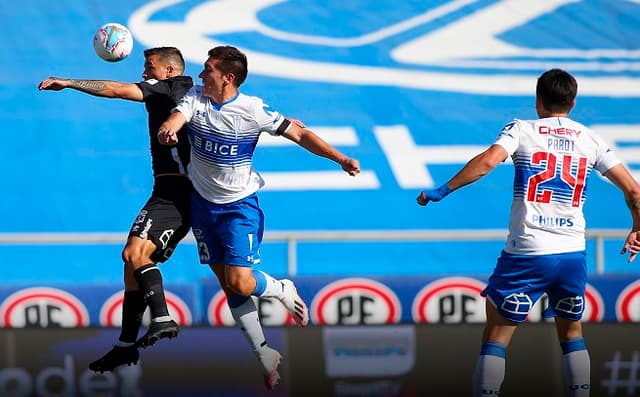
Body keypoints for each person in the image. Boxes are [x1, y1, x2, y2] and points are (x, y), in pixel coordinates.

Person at [416, 68, 640, 396]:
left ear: (538, 100)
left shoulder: (522, 129)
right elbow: (634, 191)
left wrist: (444, 189)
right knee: (572, 335)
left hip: (528, 251)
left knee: (496, 336)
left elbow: (489, 162)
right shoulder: (589, 138)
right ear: (573, 102)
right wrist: (637, 227)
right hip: (571, 254)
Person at [157, 45, 361, 389]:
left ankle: (281, 288)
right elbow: (176, 117)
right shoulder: (196, 98)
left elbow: (301, 134)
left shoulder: (251, 109)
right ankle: (263, 351)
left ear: (228, 77)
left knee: (239, 281)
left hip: (238, 208)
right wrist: (169, 128)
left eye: (208, 70)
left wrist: (339, 159)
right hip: (202, 205)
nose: (202, 74)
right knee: (228, 283)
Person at [38, 47, 194, 372]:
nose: (143, 73)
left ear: (169, 71)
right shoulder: (195, 93)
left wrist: (68, 82)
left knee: (135, 255)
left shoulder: (169, 88)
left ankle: (163, 318)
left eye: (149, 67)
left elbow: (115, 89)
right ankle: (125, 345)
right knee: (132, 264)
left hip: (176, 191)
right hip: (173, 189)